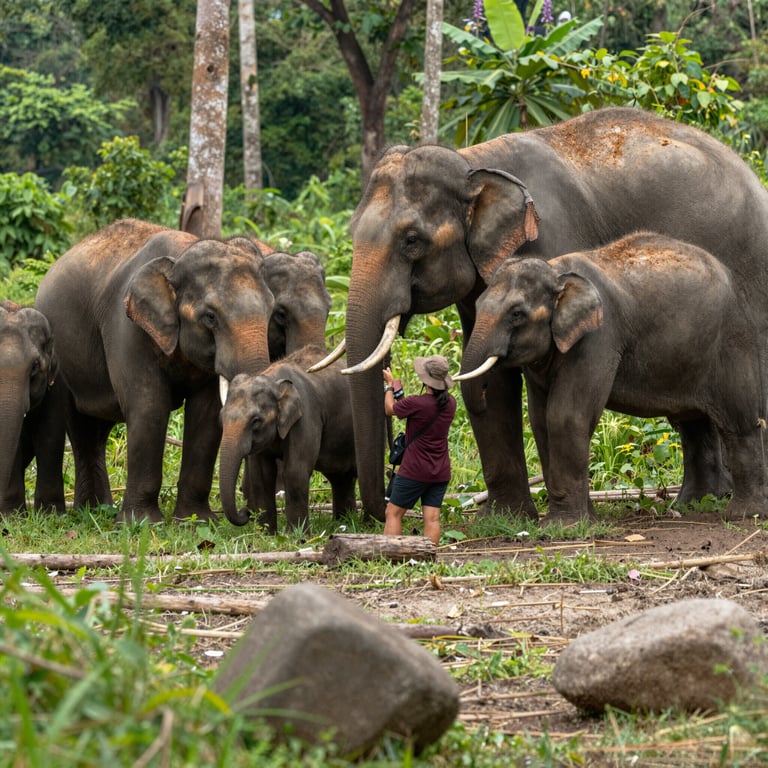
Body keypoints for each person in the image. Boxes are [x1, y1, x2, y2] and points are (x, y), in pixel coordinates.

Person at [382, 355, 457, 545]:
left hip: (414, 470)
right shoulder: (451, 403)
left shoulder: (417, 403)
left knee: (393, 513)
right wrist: (401, 397)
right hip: (440, 471)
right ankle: (429, 556)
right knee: (432, 518)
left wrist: (389, 386)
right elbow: (420, 412)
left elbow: (390, 409)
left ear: (425, 380)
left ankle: (392, 555)